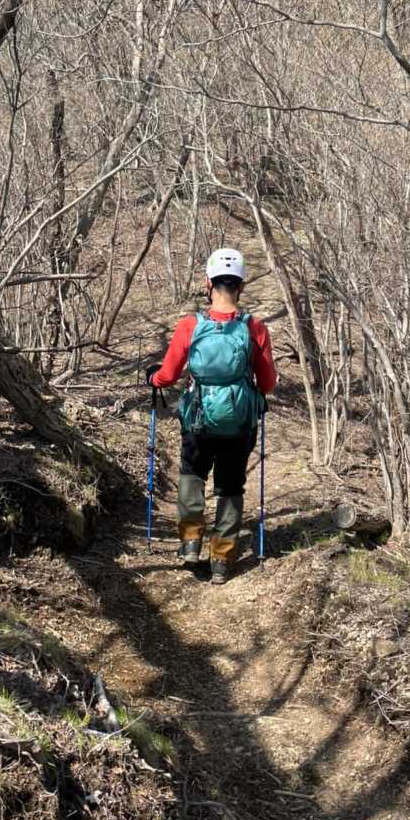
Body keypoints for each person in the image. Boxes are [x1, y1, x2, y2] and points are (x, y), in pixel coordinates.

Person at [146, 248, 277, 584]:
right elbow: (268, 384)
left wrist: (153, 379)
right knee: (231, 486)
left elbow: (168, 375)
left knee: (192, 473)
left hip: (198, 418)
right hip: (240, 421)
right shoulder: (255, 328)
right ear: (241, 286)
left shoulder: (191, 325)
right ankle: (221, 558)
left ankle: (191, 542)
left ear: (208, 283)